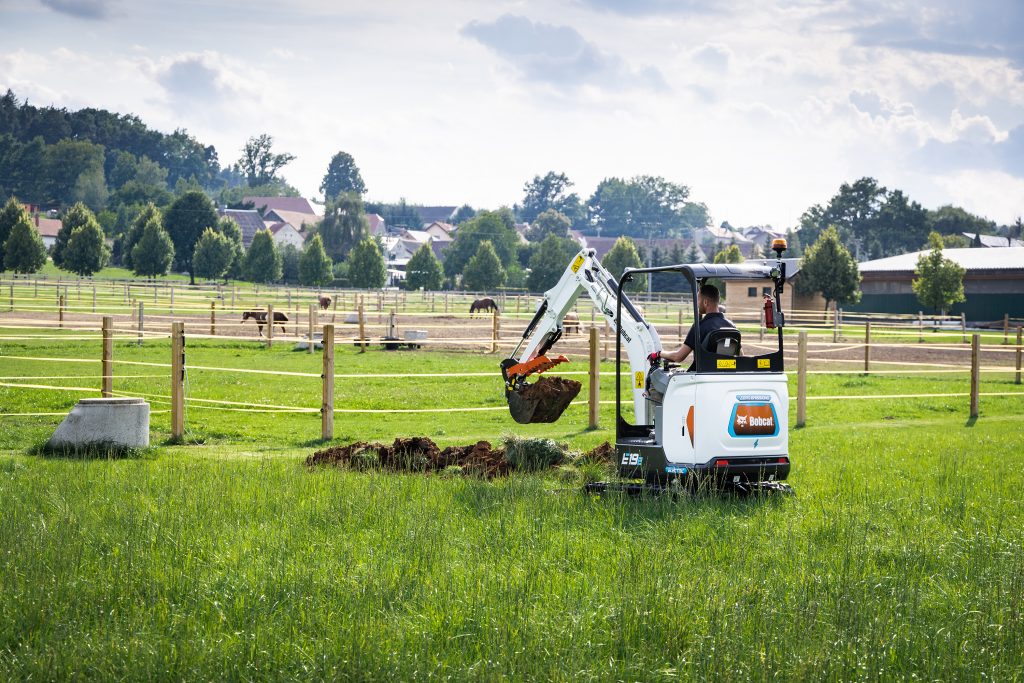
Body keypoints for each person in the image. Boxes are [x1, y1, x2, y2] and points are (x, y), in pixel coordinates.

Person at [648, 283, 738, 367]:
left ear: (705, 302)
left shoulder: (700, 327)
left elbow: (678, 357)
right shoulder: (731, 327)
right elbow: (740, 355)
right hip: (726, 376)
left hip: (702, 376)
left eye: (698, 300)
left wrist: (659, 353)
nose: (697, 304)